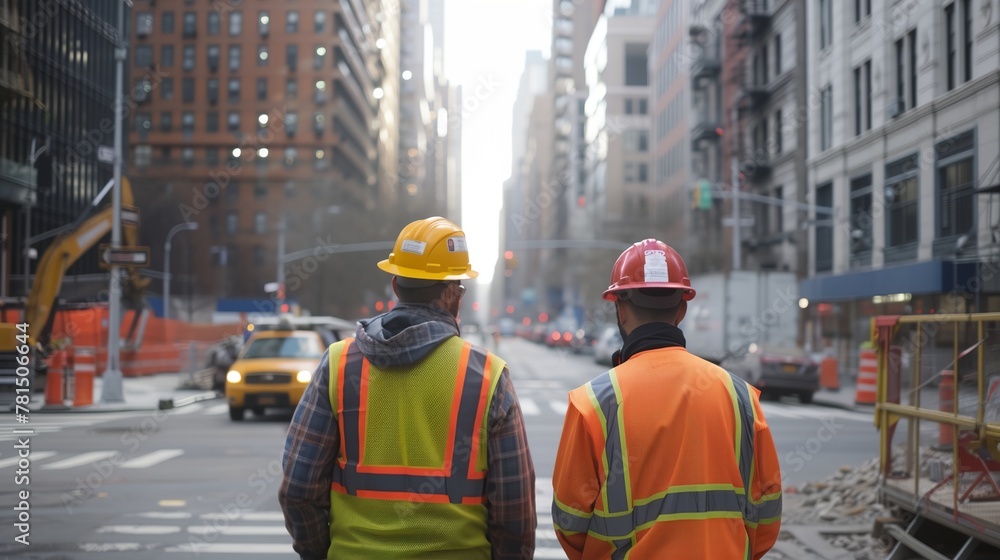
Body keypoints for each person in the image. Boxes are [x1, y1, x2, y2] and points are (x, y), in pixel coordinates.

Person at [279, 216, 536, 559]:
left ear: (397, 285)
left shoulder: (338, 364)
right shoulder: (488, 376)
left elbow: (299, 489)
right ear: (451, 294)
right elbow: (515, 512)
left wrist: (321, 552)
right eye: (459, 287)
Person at [551, 239, 782, 559]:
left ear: (619, 307)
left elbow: (569, 522)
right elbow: (766, 513)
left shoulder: (593, 403)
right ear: (682, 309)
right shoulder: (739, 395)